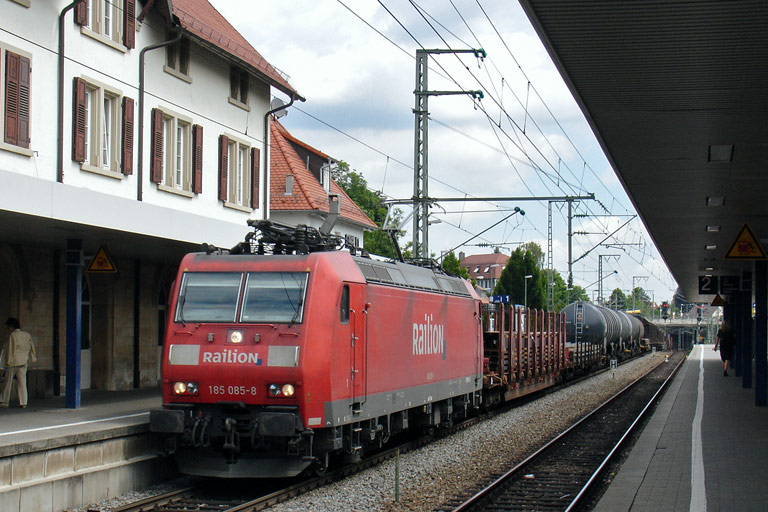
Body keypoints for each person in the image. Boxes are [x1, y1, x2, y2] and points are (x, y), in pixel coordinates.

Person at [1, 317, 37, 408]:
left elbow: (10, 349)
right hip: (24, 360)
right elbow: (31, 347)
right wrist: (32, 357)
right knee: (22, 382)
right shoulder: (26, 335)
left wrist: (7, 362)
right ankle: (23, 401)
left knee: (8, 381)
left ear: (11, 326)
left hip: (13, 361)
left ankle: (4, 401)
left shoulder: (12, 335)